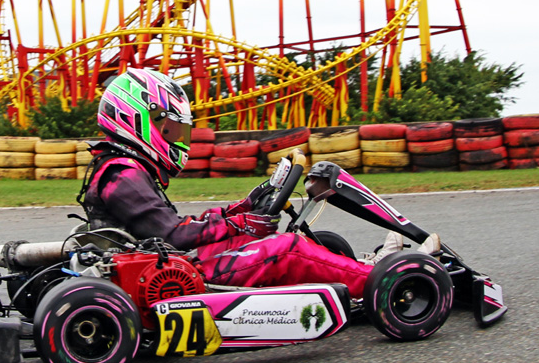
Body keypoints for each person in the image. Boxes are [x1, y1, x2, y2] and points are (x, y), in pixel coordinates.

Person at [78, 68, 440, 299]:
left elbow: (171, 230)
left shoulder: (119, 168)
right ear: (135, 119)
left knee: (269, 237)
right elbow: (173, 236)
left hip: (164, 264)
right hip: (168, 277)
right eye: (170, 129)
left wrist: (243, 208)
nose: (178, 138)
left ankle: (361, 271)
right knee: (286, 249)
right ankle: (388, 281)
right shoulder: (121, 174)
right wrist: (238, 223)